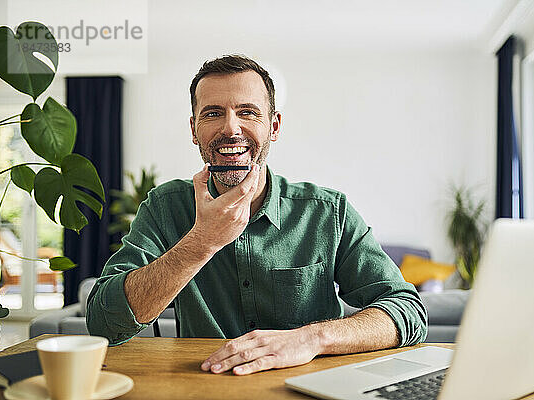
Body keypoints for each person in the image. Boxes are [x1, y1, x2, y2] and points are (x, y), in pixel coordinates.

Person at [86, 55, 427, 376]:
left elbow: (408, 309)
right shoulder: (164, 207)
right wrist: (202, 241)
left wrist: (311, 339)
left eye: (247, 112)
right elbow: (104, 323)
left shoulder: (328, 211)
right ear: (194, 129)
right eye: (212, 113)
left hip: (305, 387)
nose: (230, 128)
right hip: (203, 387)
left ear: (274, 126)